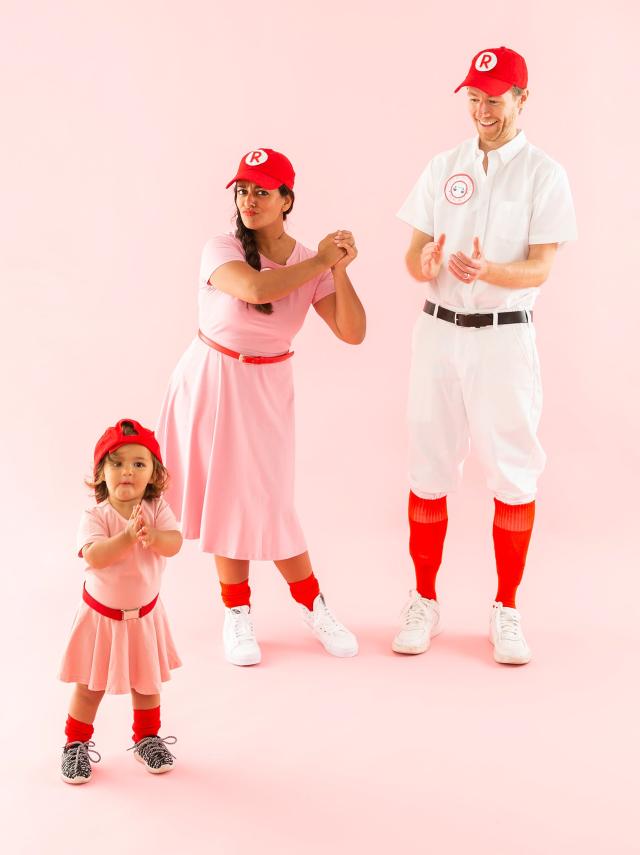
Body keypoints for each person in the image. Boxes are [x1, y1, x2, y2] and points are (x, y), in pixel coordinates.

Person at [393, 47, 577, 665]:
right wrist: (423, 263)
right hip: (438, 333)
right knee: (427, 463)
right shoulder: (443, 165)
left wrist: (491, 269)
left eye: (494, 99)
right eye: (474, 97)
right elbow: (415, 252)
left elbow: (542, 265)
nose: (482, 110)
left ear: (522, 100)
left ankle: (507, 607)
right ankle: (424, 599)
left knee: (513, 467)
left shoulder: (543, 174)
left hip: (504, 336)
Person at [157, 148, 365, 666]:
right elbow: (251, 286)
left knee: (271, 502)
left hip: (267, 387)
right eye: (243, 190)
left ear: (286, 199)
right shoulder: (221, 246)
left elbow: (353, 332)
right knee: (225, 498)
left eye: (262, 191)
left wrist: (338, 269)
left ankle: (312, 603)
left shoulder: (308, 265)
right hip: (211, 377)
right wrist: (321, 259)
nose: (249, 200)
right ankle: (237, 612)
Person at [58, 419, 183, 783]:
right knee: (89, 685)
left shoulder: (156, 509)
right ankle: (75, 744)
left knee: (147, 685)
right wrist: (128, 537)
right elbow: (94, 556)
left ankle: (147, 738)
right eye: (117, 463)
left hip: (143, 617)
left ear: (153, 474)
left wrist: (153, 537)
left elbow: (174, 543)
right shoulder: (96, 515)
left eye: (138, 464)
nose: (127, 471)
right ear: (101, 472)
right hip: (101, 620)